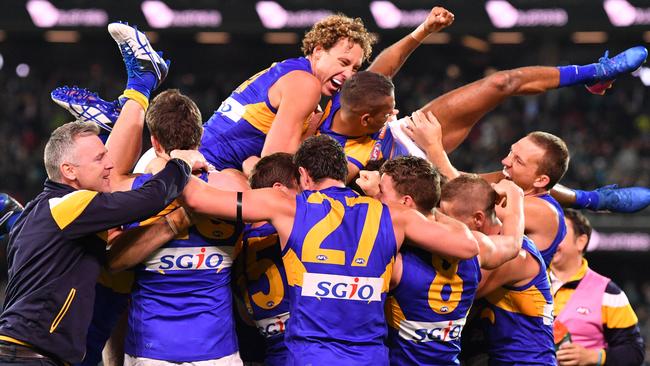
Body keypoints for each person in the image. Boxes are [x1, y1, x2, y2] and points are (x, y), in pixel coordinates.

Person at [180, 134, 479, 364]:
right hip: (370, 358)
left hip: (311, 356)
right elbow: (467, 246)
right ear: (342, 170)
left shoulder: (287, 207)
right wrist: (401, 202)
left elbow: (196, 198)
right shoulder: (393, 215)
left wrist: (179, 161)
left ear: (304, 176)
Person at [0, 120, 200, 364]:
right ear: (69, 171)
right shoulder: (73, 204)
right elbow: (151, 197)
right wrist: (181, 164)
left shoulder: (36, 210)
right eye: (99, 158)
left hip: (23, 352)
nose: (110, 164)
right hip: (31, 357)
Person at [356, 157, 524, 365]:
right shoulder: (477, 248)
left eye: (382, 191)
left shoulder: (397, 259)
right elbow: (513, 243)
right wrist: (516, 195)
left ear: (406, 203)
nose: (378, 196)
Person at [439, 175, 556, 365]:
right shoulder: (497, 242)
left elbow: (453, 294)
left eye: (450, 220)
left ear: (478, 219)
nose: (445, 228)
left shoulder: (514, 258)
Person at [550, 209, 645, 366]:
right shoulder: (527, 282)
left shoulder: (608, 293)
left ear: (581, 241)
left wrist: (594, 357)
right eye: (549, 232)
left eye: (559, 233)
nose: (551, 240)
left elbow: (634, 351)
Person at [235, 153, 300, 366]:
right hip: (308, 350)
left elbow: (245, 316)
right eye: (300, 187)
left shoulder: (236, 241)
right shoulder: (296, 229)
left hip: (271, 351)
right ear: (279, 189)